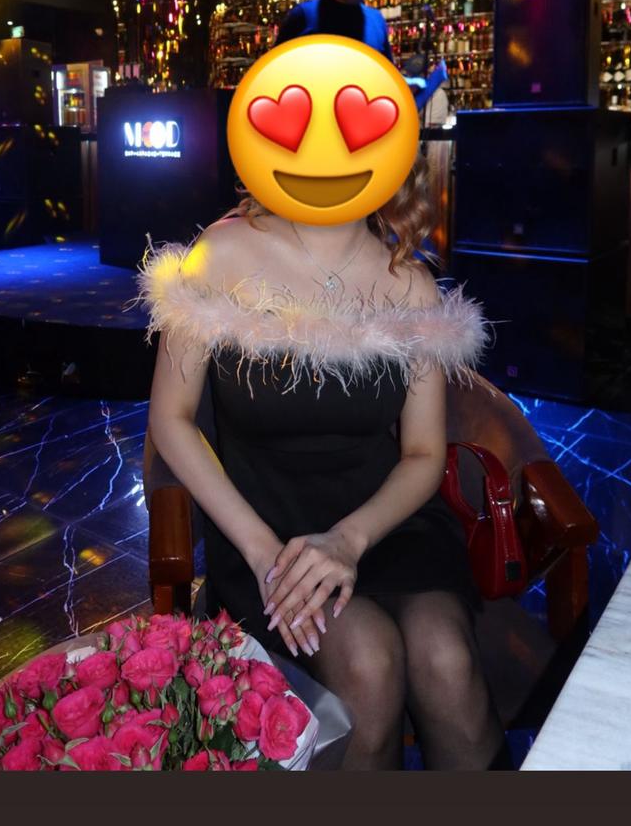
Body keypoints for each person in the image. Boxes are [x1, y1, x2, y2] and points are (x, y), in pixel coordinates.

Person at [140, 167, 514, 771]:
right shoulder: (222, 253)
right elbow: (172, 419)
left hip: (386, 525)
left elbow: (423, 454)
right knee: (368, 661)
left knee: (446, 658)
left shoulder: (409, 282)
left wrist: (349, 539)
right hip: (266, 530)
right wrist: (264, 555)